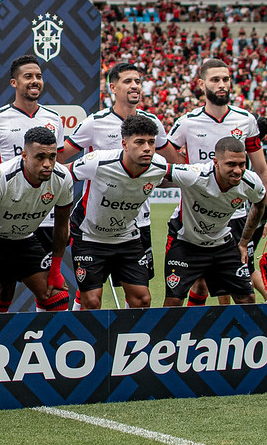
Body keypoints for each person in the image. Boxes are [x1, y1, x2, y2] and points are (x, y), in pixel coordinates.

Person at [60, 62, 182, 310]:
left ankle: (128, 340)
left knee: (138, 294)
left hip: (139, 221)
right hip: (96, 219)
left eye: (138, 81)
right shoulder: (95, 123)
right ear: (112, 87)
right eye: (128, 81)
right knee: (90, 295)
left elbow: (174, 161)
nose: (135, 86)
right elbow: (62, 158)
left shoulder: (152, 123)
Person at [167, 58, 267, 306]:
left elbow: (261, 169)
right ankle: (202, 334)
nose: (222, 85)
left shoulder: (246, 120)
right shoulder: (187, 122)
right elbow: (167, 155)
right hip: (199, 212)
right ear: (201, 84)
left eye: (226, 79)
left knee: (232, 281)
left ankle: (226, 336)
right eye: (215, 79)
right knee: (200, 282)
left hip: (237, 216)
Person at [0, 127, 73, 313]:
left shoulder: (63, 178)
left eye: (52, 157)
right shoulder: (2, 177)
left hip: (24, 240)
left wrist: (56, 270)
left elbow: (62, 225)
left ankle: (44, 341)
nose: (47, 163)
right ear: (24, 155)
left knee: (57, 297)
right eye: (40, 157)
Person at [68, 115, 169, 310]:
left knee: (142, 299)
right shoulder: (98, 161)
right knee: (91, 301)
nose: (147, 148)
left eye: (151, 142)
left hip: (126, 238)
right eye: (139, 142)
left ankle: (130, 338)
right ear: (124, 143)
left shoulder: (159, 166)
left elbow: (184, 178)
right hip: (89, 237)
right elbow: (63, 175)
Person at [162, 137, 267, 306]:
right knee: (174, 300)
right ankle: (174, 333)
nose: (238, 170)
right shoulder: (195, 174)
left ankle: (247, 333)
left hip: (222, 243)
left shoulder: (251, 182)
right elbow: (158, 171)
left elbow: (260, 204)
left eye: (242, 164)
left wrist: (244, 242)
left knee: (247, 299)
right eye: (231, 164)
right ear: (216, 162)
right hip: (185, 241)